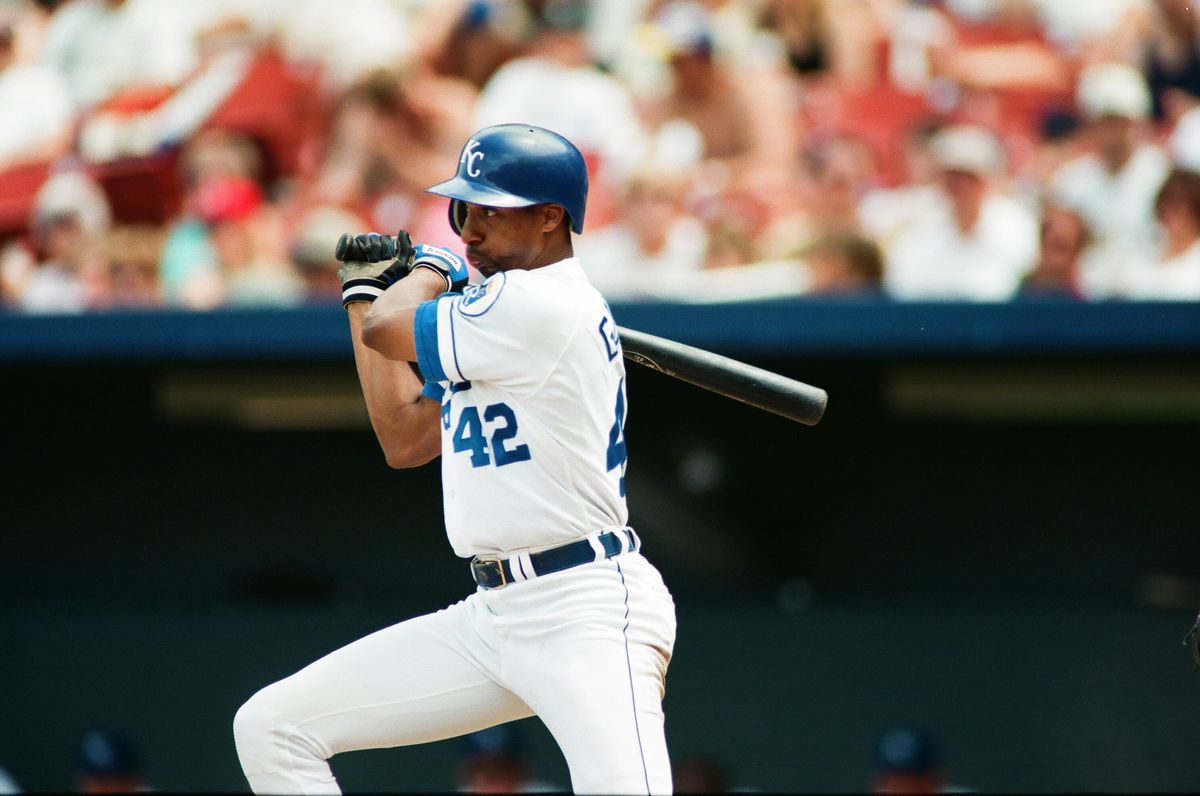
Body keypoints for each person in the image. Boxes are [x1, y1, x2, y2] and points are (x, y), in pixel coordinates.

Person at [233, 124, 677, 795]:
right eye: (462, 210)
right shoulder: (499, 315)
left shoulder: (539, 302)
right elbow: (404, 437)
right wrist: (361, 293)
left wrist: (429, 269)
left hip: (584, 604)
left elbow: (392, 328)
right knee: (272, 727)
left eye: (489, 211)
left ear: (551, 218)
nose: (469, 229)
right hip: (494, 615)